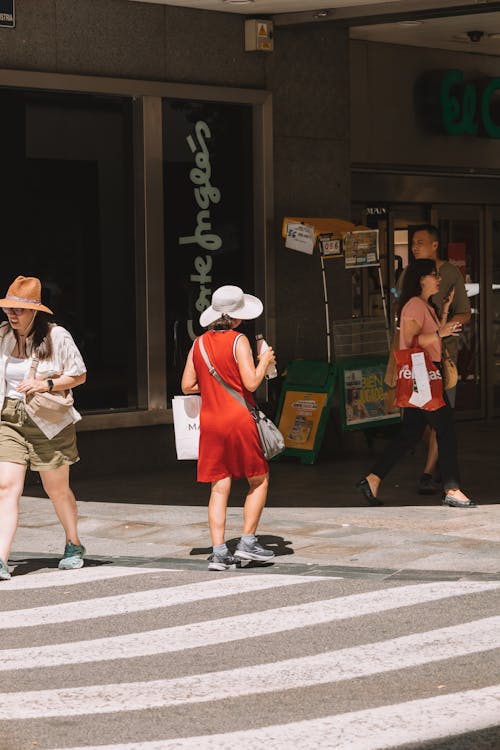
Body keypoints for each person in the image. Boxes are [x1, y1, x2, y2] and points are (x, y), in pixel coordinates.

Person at [357, 259, 476, 509]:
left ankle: (373, 478)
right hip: (422, 374)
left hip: (427, 373)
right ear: (421, 278)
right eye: (434, 275)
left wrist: (443, 312)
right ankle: (452, 488)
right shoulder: (413, 305)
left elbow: (431, 337)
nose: (439, 279)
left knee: (410, 434)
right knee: (445, 430)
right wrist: (439, 333)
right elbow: (411, 340)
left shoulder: (426, 305)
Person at [181, 285, 277, 571]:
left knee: (219, 486)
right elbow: (250, 383)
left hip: (211, 422)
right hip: (238, 419)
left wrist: (212, 387)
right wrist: (265, 362)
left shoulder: (198, 344)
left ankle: (220, 552)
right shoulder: (239, 341)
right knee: (258, 478)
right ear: (236, 317)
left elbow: (187, 385)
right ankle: (247, 543)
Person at [0, 276, 87, 581]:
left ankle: (73, 543)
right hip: (9, 419)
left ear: (35, 311)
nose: (12, 315)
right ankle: (1, 558)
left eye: (19, 310)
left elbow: (78, 375)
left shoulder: (56, 336)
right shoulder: (3, 336)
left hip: (47, 421)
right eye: (9, 308)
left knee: (57, 490)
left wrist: (44, 383)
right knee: (6, 488)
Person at [399, 224, 471, 494]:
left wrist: (445, 323)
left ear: (435, 245)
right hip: (418, 361)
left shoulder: (450, 273)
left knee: (438, 422)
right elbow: (407, 320)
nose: (415, 247)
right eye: (413, 243)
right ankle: (376, 476)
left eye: (420, 242)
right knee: (427, 425)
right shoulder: (410, 276)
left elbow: (464, 313)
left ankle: (432, 473)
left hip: (441, 358)